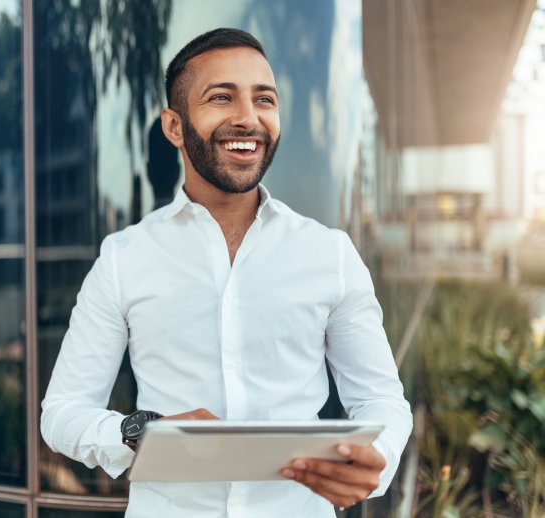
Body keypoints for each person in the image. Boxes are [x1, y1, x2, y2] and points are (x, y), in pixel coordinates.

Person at [41, 28, 412, 517]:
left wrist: (377, 458)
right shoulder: (123, 259)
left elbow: (382, 399)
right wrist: (141, 430)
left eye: (265, 100)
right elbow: (63, 413)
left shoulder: (331, 254)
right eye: (221, 98)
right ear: (174, 127)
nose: (248, 118)